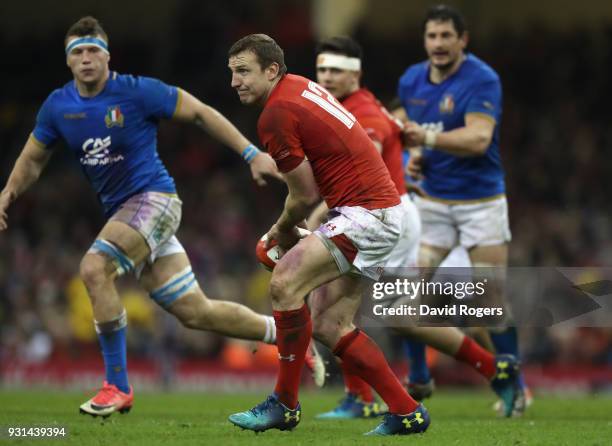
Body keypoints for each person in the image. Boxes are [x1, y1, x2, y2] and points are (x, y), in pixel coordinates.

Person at [0, 16, 282, 418]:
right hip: (128, 216)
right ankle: (286, 335)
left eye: (93, 50)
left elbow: (200, 112)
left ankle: (117, 385)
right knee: (194, 311)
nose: (86, 59)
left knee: (94, 268)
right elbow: (32, 159)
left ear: (107, 55)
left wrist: (251, 154)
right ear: (68, 61)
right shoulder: (57, 107)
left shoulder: (138, 91)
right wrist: (8, 192)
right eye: (77, 52)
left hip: (155, 200)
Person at [226, 33, 429, 436]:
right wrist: (291, 234)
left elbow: (303, 194)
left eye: (244, 71)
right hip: (379, 211)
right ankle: (408, 412)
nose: (235, 82)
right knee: (331, 325)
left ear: (271, 70)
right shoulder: (299, 85)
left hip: (365, 213)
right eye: (232, 73)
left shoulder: (276, 114)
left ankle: (284, 405)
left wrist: (280, 231)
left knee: (284, 283)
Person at [311, 36, 523, 420]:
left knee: (331, 303)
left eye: (336, 71)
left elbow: (366, 161)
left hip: (382, 217)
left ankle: (363, 397)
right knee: (400, 316)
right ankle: (494, 368)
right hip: (394, 214)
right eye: (322, 69)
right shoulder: (345, 108)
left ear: (355, 74)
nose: (326, 77)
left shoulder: (364, 115)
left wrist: (314, 217)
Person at [395, 4, 529, 414]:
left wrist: (426, 141)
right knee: (404, 294)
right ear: (424, 40)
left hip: (480, 204)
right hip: (432, 205)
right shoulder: (411, 80)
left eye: (446, 36)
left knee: (489, 306)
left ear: (462, 40)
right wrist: (414, 154)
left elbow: (478, 139)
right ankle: (418, 377)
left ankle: (516, 387)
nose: (438, 44)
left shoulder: (482, 79)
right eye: (432, 36)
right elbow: (411, 130)